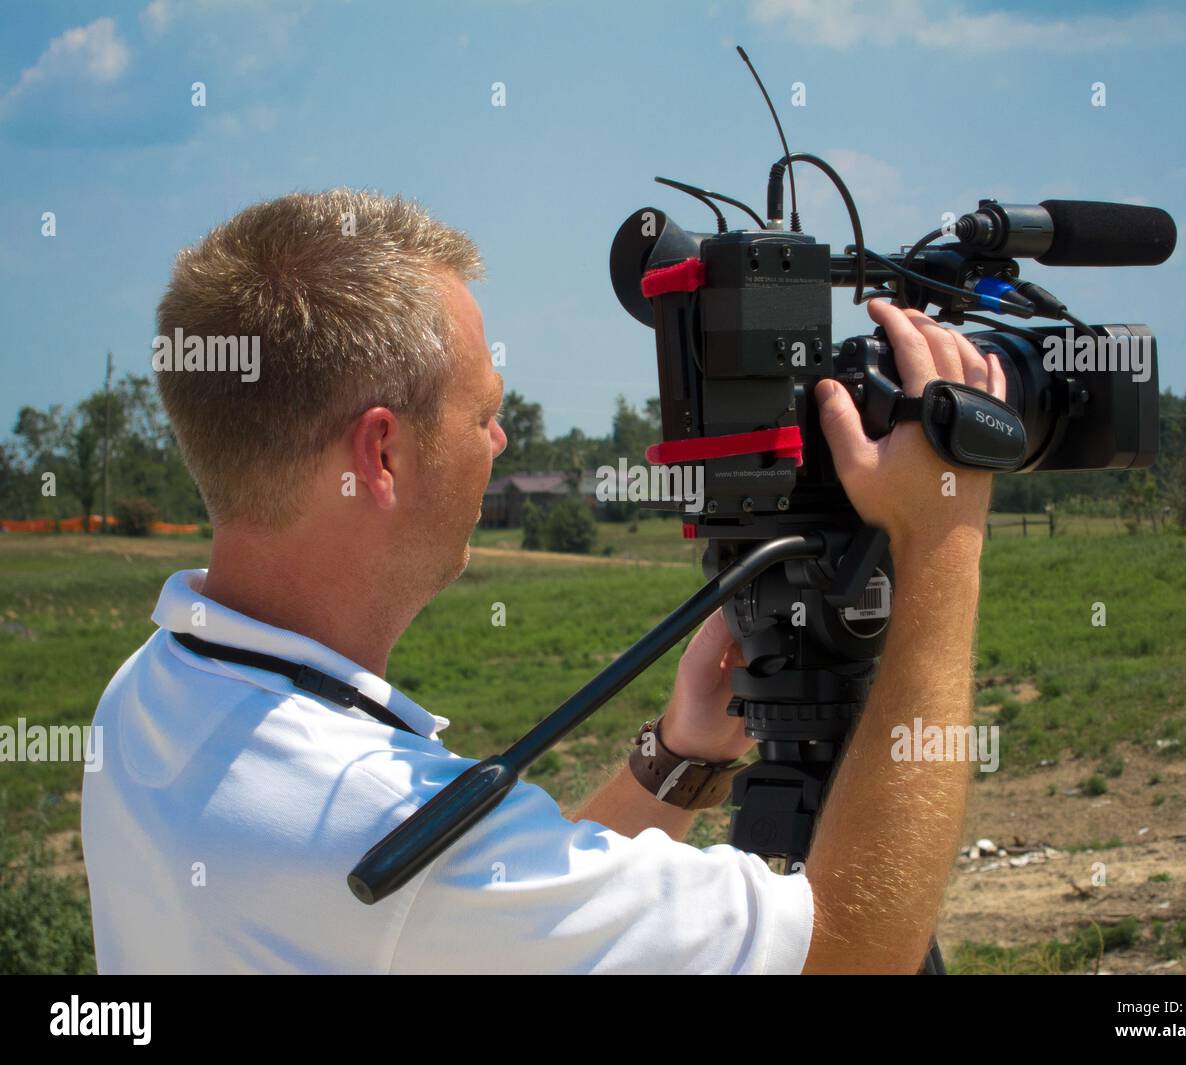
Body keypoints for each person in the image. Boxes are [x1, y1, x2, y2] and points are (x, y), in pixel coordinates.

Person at [82, 189, 1002, 974]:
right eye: (486, 412)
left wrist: (676, 759)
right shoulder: (373, 821)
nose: (501, 441)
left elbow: (493, 914)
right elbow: (850, 951)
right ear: (383, 452)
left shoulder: (152, 694)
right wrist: (943, 535)